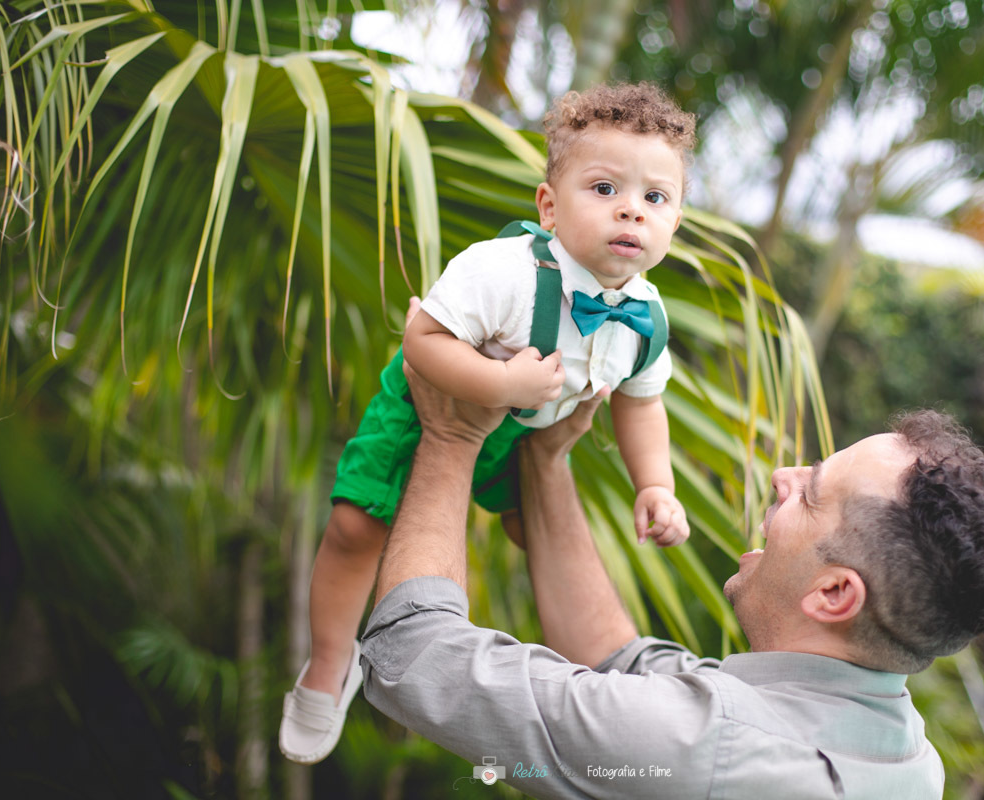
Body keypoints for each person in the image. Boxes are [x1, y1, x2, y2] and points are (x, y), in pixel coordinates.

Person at [355, 329, 984, 798]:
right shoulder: (910, 761)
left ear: (834, 594)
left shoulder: (712, 750)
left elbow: (412, 653)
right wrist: (545, 457)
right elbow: (616, 663)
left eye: (812, 492)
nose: (782, 474)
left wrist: (451, 434)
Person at [280, 83, 695, 764]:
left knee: (535, 529)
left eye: (655, 198)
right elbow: (424, 342)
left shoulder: (645, 320)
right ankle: (329, 664)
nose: (631, 209)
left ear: (674, 223)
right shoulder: (502, 271)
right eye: (604, 188)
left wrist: (656, 484)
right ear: (549, 205)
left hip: (524, 432)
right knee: (358, 525)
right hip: (429, 404)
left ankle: (566, 668)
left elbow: (640, 403)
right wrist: (500, 382)